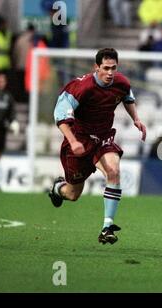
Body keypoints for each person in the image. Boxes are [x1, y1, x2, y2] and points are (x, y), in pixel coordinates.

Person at [48, 48, 147, 245]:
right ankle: (57, 188)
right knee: (73, 194)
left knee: (113, 171)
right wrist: (73, 141)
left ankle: (107, 227)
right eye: (106, 68)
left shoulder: (121, 82)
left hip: (103, 138)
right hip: (79, 141)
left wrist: (136, 119)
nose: (110, 73)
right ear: (96, 67)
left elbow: (127, 97)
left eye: (114, 68)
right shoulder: (80, 87)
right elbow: (60, 117)